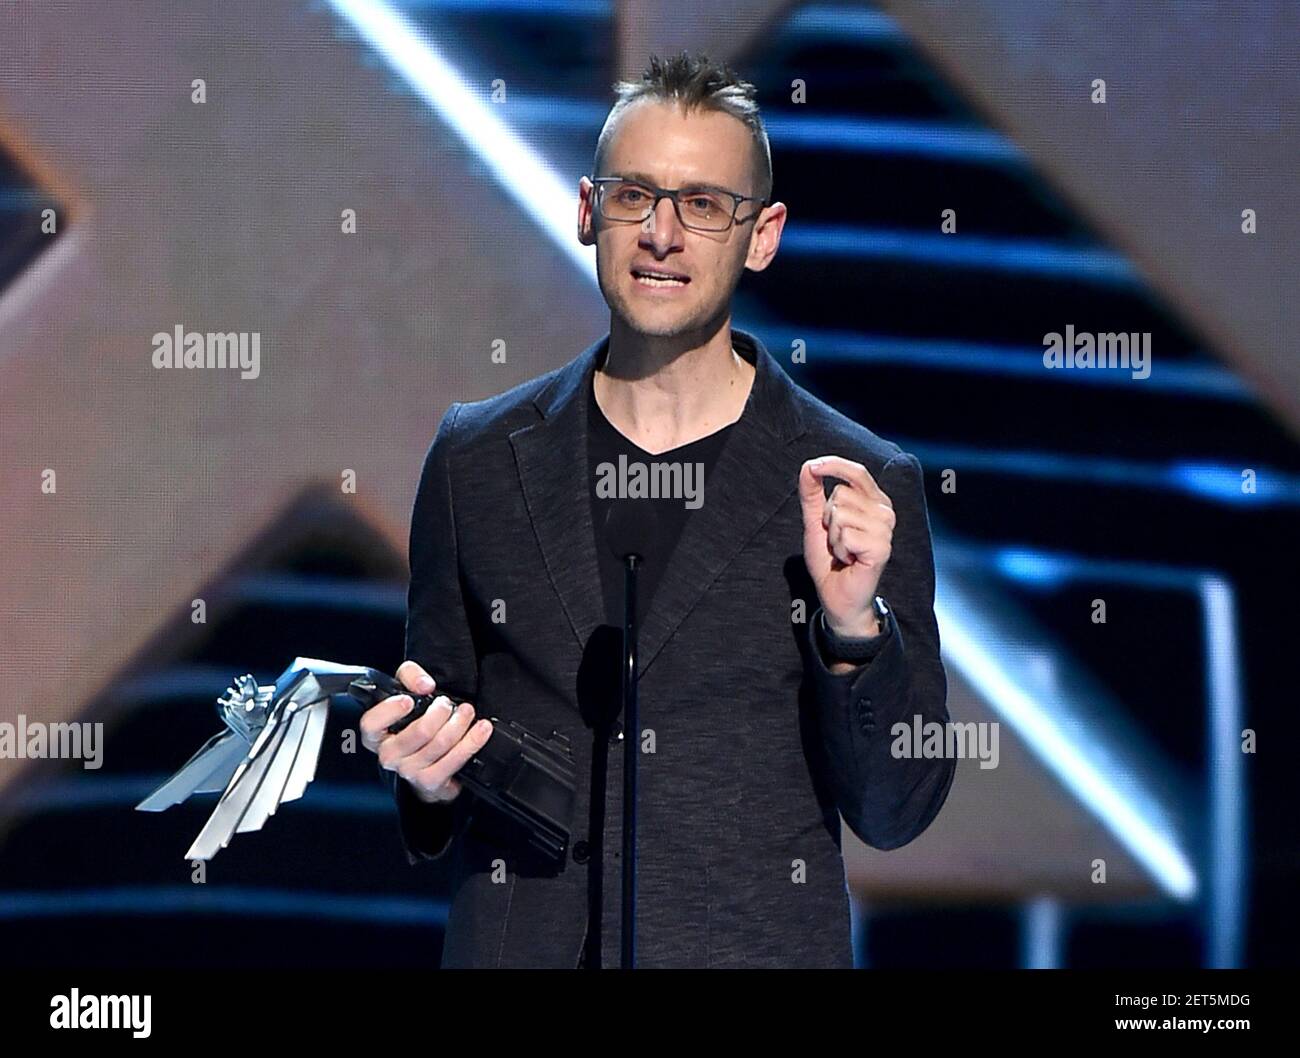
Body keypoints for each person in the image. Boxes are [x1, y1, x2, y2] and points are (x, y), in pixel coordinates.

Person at [358, 52, 954, 968]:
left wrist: (853, 630)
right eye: (636, 197)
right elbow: (441, 736)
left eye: (705, 205)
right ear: (591, 212)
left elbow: (893, 808)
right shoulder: (476, 459)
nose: (663, 236)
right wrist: (425, 776)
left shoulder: (856, 481)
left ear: (763, 235)